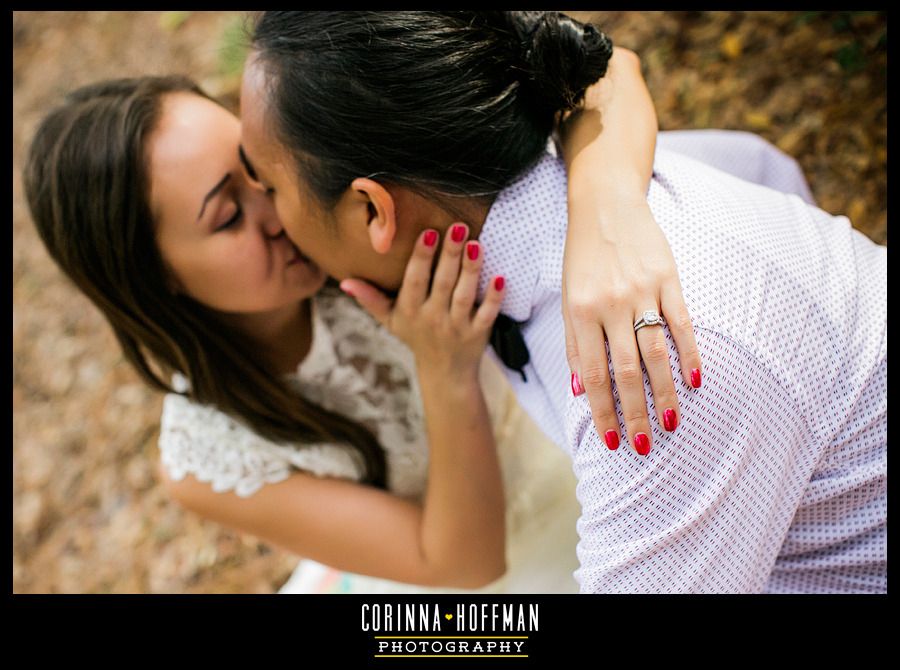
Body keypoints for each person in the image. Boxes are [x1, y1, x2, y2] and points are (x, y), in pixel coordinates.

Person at [22, 27, 709, 592]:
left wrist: (605, 215)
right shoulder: (205, 459)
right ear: (156, 280)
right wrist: (446, 374)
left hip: (588, 439)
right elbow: (462, 567)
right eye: (230, 214)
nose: (280, 207)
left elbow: (604, 68)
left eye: (258, 168)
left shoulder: (339, 196)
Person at [240, 11, 887, 593]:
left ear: (371, 209)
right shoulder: (572, 191)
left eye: (268, 184)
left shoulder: (638, 358)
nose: (268, 216)